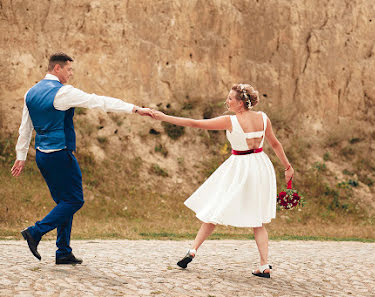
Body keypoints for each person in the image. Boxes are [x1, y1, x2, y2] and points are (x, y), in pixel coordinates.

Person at [11, 52, 153, 264]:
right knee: (74, 200)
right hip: (61, 154)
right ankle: (35, 232)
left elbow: (25, 128)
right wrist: (134, 108)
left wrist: (21, 155)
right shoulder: (63, 93)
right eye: (68, 69)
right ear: (57, 69)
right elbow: (98, 101)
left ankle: (63, 252)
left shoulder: (30, 93)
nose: (71, 74)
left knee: (63, 203)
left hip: (42, 155)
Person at [149, 83, 294, 278]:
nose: (227, 101)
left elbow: (195, 123)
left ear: (241, 103)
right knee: (258, 220)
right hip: (260, 166)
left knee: (216, 206)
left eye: (230, 99)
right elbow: (275, 144)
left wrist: (164, 117)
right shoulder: (263, 118)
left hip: (240, 166)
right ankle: (264, 264)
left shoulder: (230, 121)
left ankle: (193, 250)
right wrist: (287, 167)